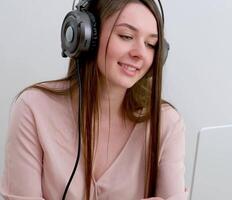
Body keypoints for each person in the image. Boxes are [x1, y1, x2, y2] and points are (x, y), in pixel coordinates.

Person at [0, 0, 187, 199]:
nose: (140, 54)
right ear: (87, 37)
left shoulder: (166, 123)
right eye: (126, 36)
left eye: (151, 44)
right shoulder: (33, 109)